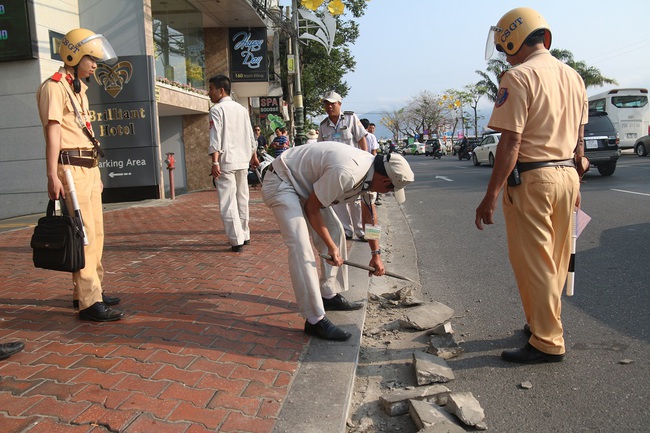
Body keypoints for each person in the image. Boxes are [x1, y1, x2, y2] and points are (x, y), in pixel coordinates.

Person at [475, 7, 588, 364]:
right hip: (567, 175)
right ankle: (543, 322)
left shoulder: (517, 77)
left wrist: (490, 196)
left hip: (534, 180)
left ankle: (547, 341)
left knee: (533, 262)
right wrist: (575, 178)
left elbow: (510, 143)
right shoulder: (573, 76)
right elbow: (580, 140)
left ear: (510, 40)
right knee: (554, 260)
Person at [262, 142, 414, 340]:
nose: (387, 194)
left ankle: (328, 295)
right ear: (385, 181)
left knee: (335, 232)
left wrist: (375, 255)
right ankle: (315, 319)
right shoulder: (347, 172)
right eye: (390, 190)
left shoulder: (373, 173)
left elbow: (370, 219)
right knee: (301, 247)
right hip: (282, 181)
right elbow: (311, 208)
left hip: (305, 186)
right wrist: (332, 249)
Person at [36, 28, 123, 322]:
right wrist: (52, 174)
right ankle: (89, 302)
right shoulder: (54, 86)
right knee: (84, 235)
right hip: (70, 167)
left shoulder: (77, 88)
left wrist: (95, 171)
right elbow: (54, 133)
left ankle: (90, 290)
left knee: (95, 232)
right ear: (73, 56)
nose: (95, 65)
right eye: (91, 59)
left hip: (87, 167)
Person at [208, 75, 260, 252]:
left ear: (221, 90)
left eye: (211, 89)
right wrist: (253, 155)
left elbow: (215, 137)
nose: (209, 93)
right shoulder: (241, 109)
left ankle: (236, 239)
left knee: (228, 201)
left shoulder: (217, 110)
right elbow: (250, 135)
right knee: (242, 199)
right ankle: (245, 234)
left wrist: (215, 162)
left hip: (226, 161)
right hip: (243, 160)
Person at [318, 91, 368, 241]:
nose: (329, 107)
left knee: (356, 201)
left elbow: (361, 139)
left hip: (354, 167)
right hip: (334, 170)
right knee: (338, 201)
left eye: (332, 103)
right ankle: (347, 230)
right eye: (327, 104)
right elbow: (321, 149)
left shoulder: (351, 118)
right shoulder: (323, 126)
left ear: (339, 104)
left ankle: (360, 230)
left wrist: (365, 161)